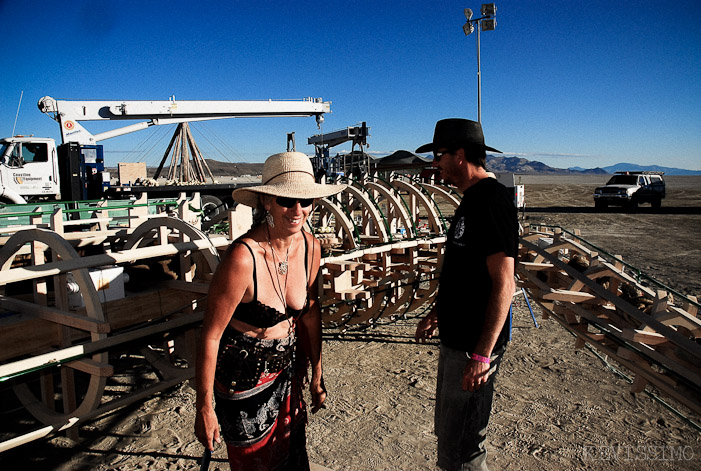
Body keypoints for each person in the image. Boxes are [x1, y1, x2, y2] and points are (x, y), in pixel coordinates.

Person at [195, 151, 346, 470]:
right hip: (243, 382)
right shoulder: (242, 258)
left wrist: (317, 373)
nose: (297, 210)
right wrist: (204, 408)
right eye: (286, 200)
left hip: (288, 375)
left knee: (293, 457)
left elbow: (309, 313)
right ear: (267, 203)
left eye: (305, 202)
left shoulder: (311, 247)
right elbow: (211, 336)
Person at [414, 118, 518, 471]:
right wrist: (437, 312)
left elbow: (505, 284)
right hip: (458, 342)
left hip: (473, 348)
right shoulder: (471, 199)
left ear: (460, 155)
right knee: (450, 437)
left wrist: (482, 355)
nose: (435, 163)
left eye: (439, 155)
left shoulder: (492, 200)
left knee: (463, 449)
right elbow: (465, 272)